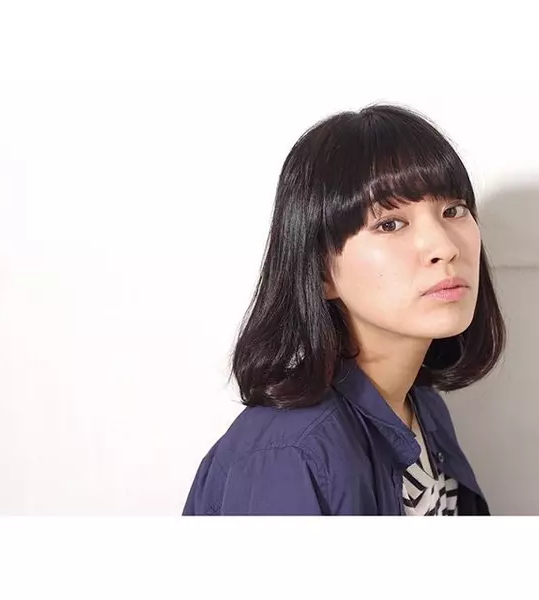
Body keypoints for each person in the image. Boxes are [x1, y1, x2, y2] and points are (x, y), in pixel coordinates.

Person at [183, 103, 506, 516]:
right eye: (389, 223)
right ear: (322, 272)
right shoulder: (289, 456)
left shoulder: (425, 409)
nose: (444, 247)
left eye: (453, 211)